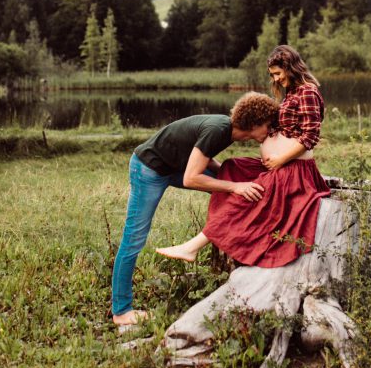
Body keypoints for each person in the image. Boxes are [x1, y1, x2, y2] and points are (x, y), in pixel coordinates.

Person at [111, 91, 279, 329]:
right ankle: (121, 311)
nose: (271, 131)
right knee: (134, 238)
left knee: (236, 195)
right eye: (269, 126)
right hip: (149, 169)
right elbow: (191, 178)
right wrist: (234, 185)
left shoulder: (227, 132)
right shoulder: (218, 130)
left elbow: (200, 156)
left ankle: (245, 250)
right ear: (254, 123)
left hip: (174, 166)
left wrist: (229, 178)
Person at [156, 45, 330, 267]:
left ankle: (192, 247)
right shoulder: (292, 93)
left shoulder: (307, 92)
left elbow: (310, 136)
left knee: (250, 193)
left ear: (290, 67)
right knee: (232, 167)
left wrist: (280, 159)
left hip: (294, 169)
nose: (276, 79)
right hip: (280, 164)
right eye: (272, 75)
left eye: (278, 73)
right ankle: (225, 231)